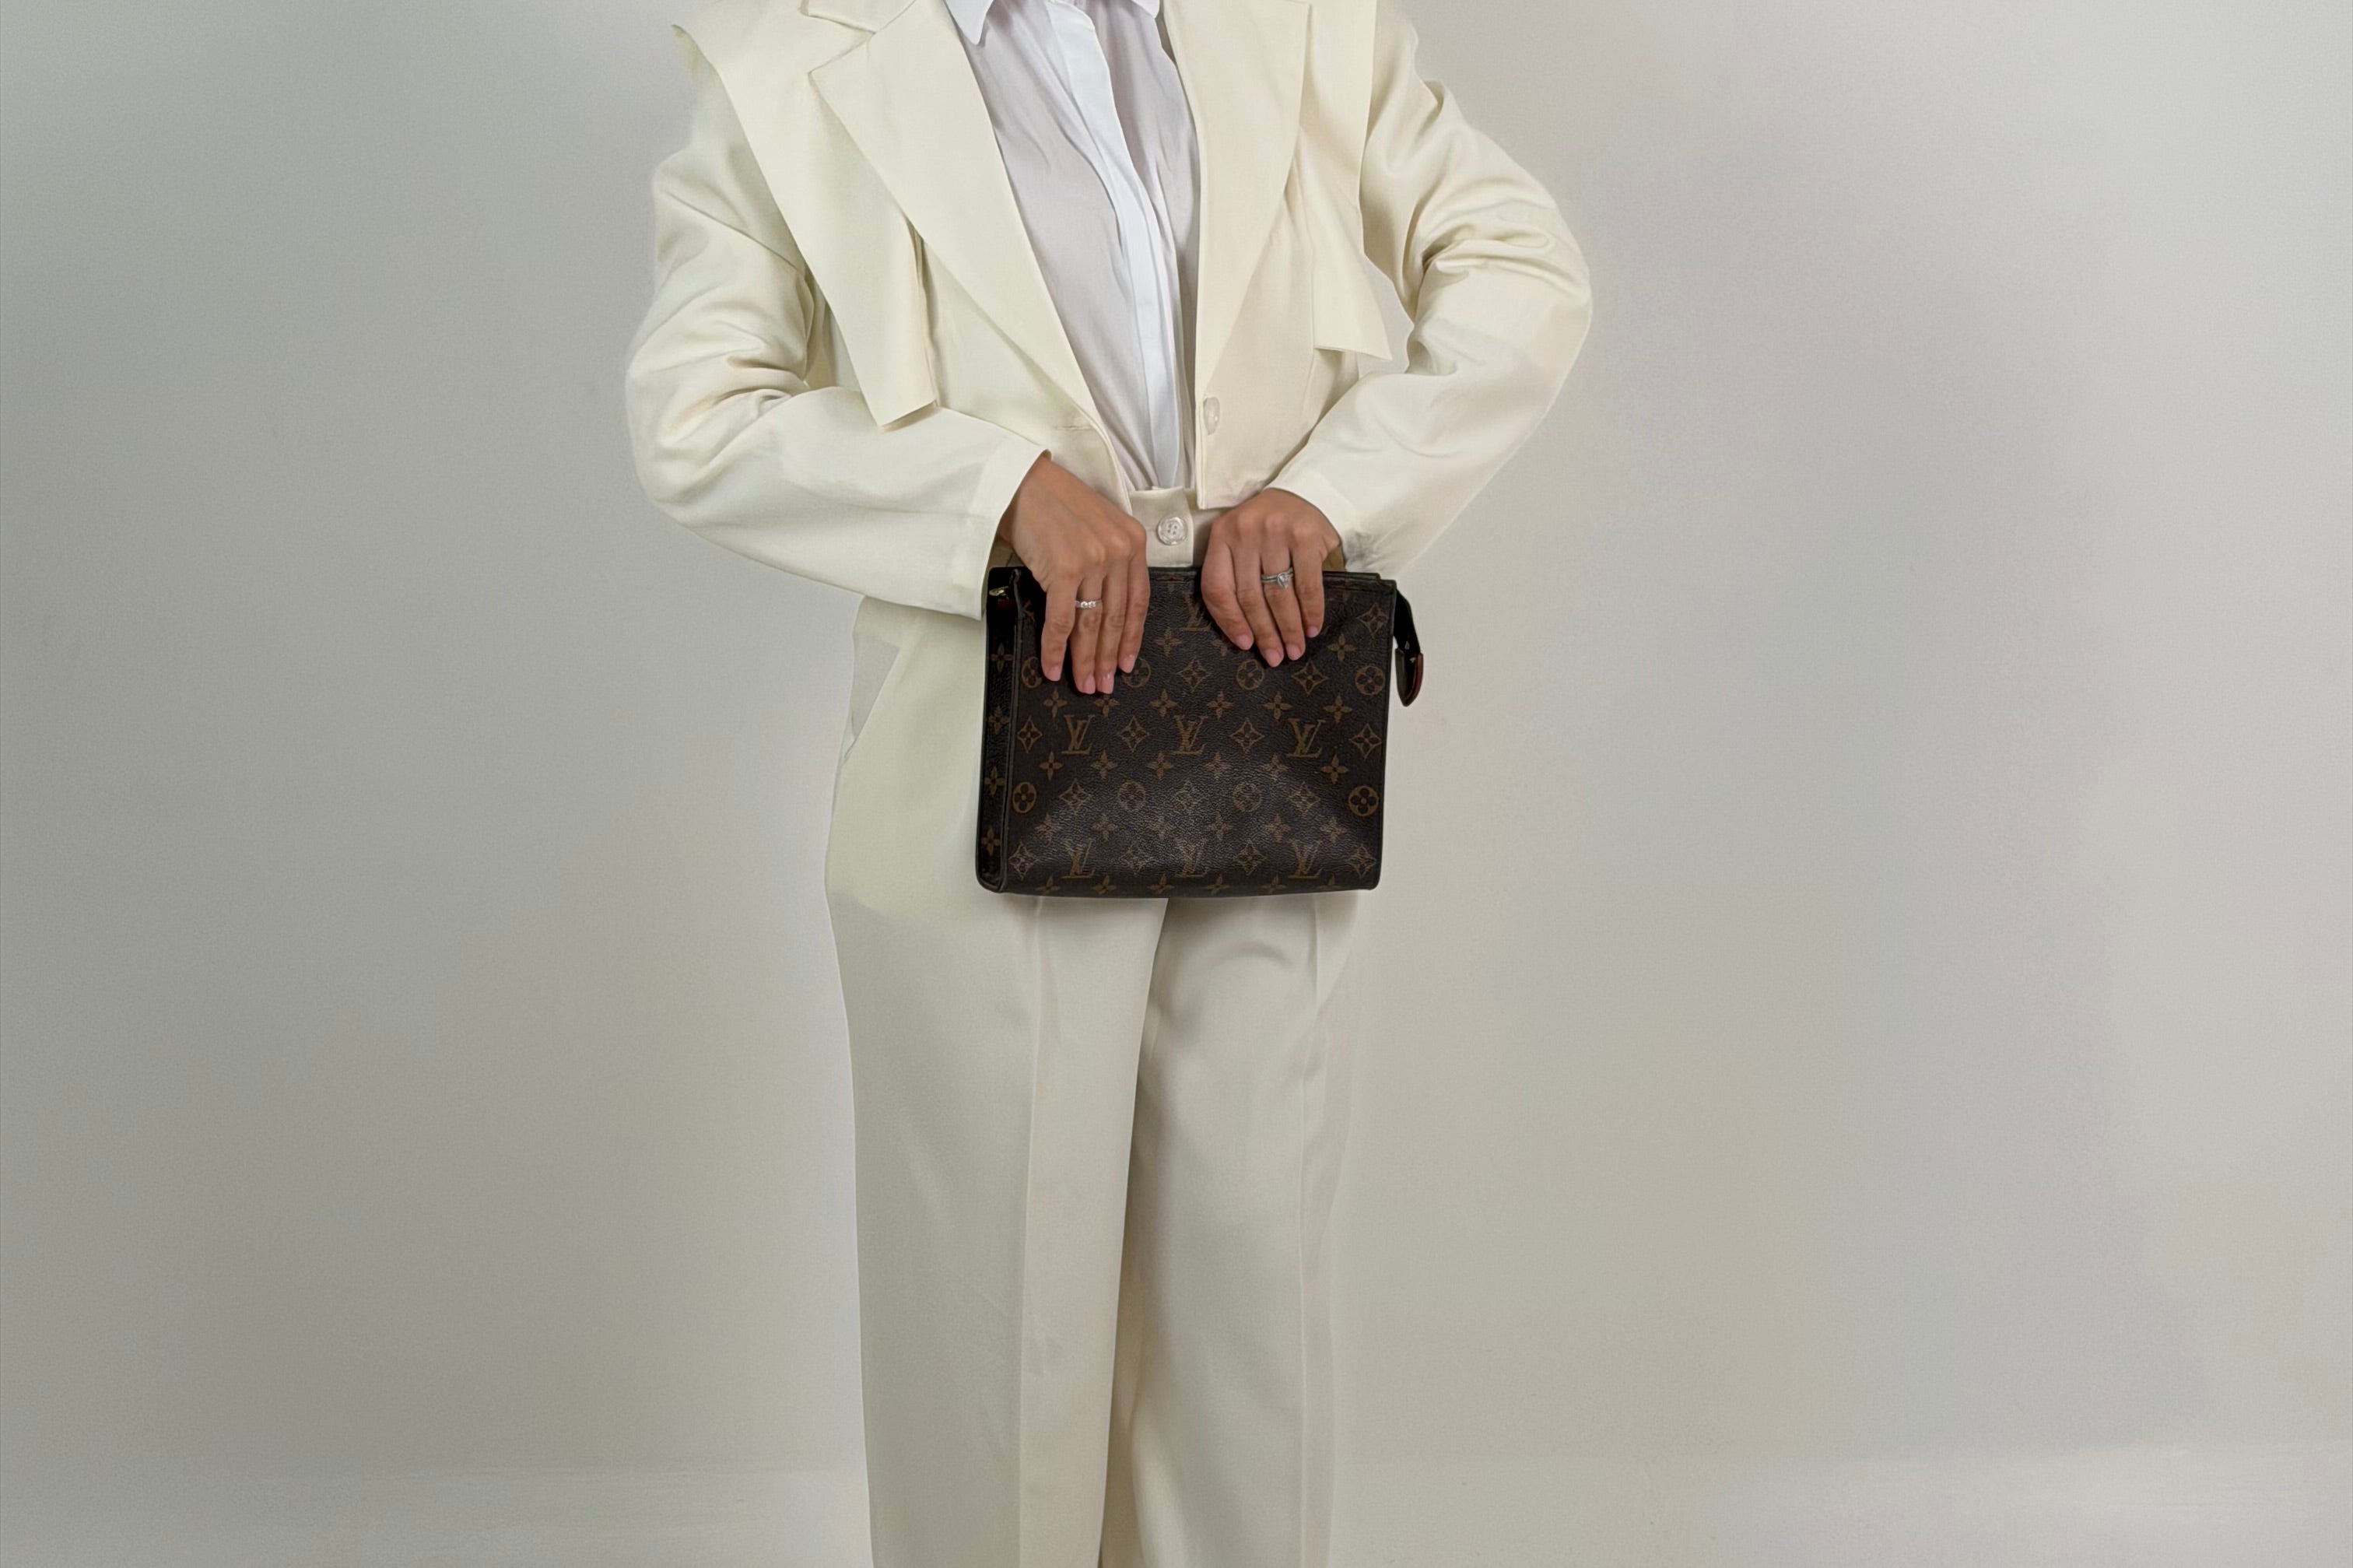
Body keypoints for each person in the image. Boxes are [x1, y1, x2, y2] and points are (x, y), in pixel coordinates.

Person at [622, 0, 1591, 1560]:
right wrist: (993, 491)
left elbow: (1517, 269)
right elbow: (698, 414)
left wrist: (1335, 491)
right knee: (1003, 1326)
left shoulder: (1297, 20)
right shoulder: (794, 56)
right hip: (985, 747)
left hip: (1266, 715)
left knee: (1250, 1312)